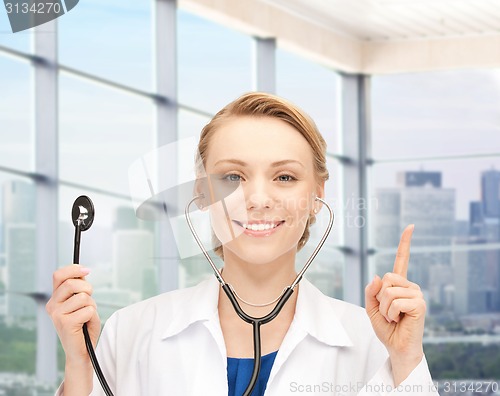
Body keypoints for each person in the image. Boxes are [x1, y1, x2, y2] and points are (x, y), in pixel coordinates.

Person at [46, 92, 439, 395]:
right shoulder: (131, 331)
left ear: (318, 192)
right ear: (202, 192)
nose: (258, 198)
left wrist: (406, 359)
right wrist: (79, 365)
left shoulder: (371, 340)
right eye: (233, 177)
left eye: (284, 177)